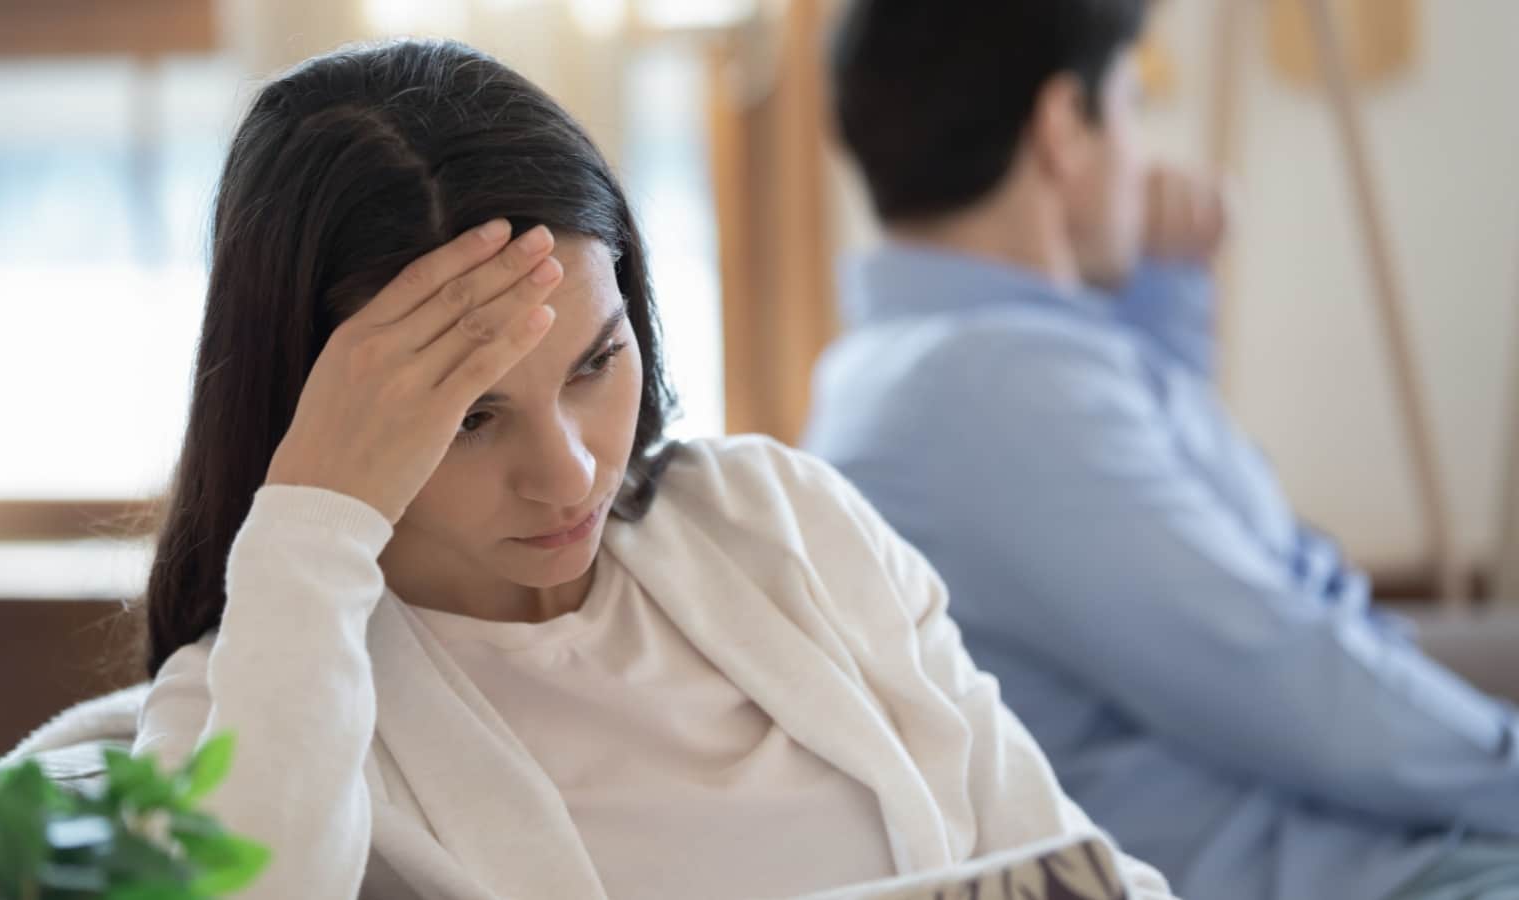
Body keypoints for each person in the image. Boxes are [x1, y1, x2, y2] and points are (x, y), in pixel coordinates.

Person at [127, 38, 1172, 900]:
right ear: (321, 419)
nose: (570, 471)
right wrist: (312, 522)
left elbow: (1066, 866)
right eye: (470, 417)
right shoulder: (244, 707)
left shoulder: (783, 521)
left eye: (595, 362)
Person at [801, 2, 1519, 900]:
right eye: (1134, 104)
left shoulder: (932, 362)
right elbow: (1284, 677)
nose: (1146, 156)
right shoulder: (996, 392)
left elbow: (1196, 521)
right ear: (1064, 128)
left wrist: (1161, 287)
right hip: (1355, 865)